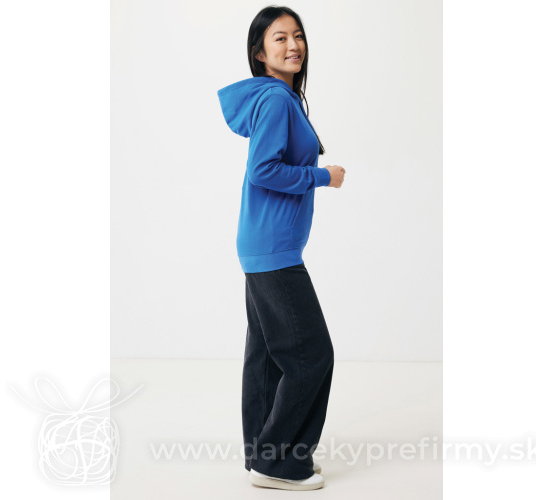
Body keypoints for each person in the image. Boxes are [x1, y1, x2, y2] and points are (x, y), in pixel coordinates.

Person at [217, 5, 346, 491]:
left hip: (262, 244)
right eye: (280, 38)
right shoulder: (275, 100)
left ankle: (263, 456)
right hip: (273, 250)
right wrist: (322, 176)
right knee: (312, 355)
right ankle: (280, 463)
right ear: (260, 53)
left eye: (298, 36)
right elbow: (263, 170)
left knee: (270, 356)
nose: (293, 45)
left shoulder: (281, 98)